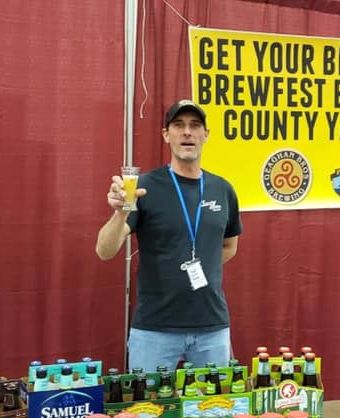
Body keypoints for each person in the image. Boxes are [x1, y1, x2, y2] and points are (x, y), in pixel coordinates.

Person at [96, 99, 242, 372]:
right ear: (166, 135)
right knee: (146, 412)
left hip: (211, 327)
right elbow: (104, 251)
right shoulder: (143, 187)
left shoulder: (223, 189)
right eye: (178, 125)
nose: (187, 132)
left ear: (206, 135)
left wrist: (198, 268)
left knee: (215, 411)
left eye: (195, 125)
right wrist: (119, 214)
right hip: (154, 329)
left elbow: (229, 246)